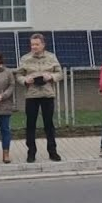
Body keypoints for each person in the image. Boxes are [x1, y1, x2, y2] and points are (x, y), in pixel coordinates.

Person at [16, 33, 62, 163]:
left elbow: (60, 73)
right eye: (32, 44)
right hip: (32, 95)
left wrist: (51, 77)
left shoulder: (51, 57)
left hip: (47, 94)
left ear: (43, 45)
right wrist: (26, 80)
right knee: (31, 125)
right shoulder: (25, 58)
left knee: (49, 125)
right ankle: (31, 152)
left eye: (37, 44)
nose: (34, 47)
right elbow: (19, 75)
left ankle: (52, 151)